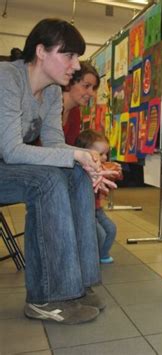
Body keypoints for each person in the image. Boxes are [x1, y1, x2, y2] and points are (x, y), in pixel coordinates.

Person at [0, 18, 116, 324]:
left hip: (9, 169)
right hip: (6, 165)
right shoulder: (7, 78)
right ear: (41, 51)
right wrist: (75, 155)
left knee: (76, 173)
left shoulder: (52, 90)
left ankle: (78, 284)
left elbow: (53, 143)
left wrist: (87, 159)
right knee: (48, 179)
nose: (75, 65)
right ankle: (47, 296)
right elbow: (12, 150)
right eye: (69, 55)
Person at [75, 129, 121, 264]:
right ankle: (90, 257)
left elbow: (110, 183)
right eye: (100, 154)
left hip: (97, 209)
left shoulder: (102, 167)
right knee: (99, 234)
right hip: (84, 210)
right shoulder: (80, 169)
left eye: (106, 154)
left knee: (111, 229)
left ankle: (102, 254)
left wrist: (114, 172)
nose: (105, 158)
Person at [62, 61, 100, 145]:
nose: (92, 93)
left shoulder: (75, 112)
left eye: (93, 88)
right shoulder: (48, 105)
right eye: (86, 86)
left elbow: (71, 146)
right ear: (69, 82)